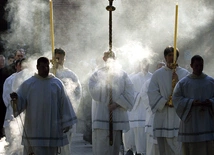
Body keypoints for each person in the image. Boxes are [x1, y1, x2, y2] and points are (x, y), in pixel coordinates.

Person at [10, 57, 77, 155]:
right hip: (34, 130)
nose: (45, 69)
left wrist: (67, 122)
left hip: (53, 130)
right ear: (37, 67)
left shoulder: (57, 84)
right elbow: (20, 101)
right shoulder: (28, 84)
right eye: (42, 67)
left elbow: (65, 103)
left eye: (47, 67)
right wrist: (16, 99)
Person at [88, 51, 135, 155]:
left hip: (117, 118)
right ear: (103, 58)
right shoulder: (97, 74)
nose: (110, 60)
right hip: (101, 118)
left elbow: (130, 94)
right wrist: (105, 84)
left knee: (115, 149)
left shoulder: (123, 75)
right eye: (108, 57)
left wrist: (117, 104)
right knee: (101, 149)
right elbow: (93, 92)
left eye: (112, 57)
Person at [147, 46, 189, 155]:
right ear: (165, 57)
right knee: (164, 149)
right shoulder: (157, 74)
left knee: (179, 147)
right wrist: (165, 101)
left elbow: (189, 92)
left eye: (174, 55)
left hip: (177, 117)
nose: (172, 58)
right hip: (162, 116)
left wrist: (178, 81)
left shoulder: (184, 74)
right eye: (169, 55)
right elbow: (152, 92)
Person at [172, 55, 214, 155]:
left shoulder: (211, 82)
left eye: (201, 65)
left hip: (207, 122)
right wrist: (191, 102)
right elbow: (176, 99)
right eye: (196, 66)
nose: (199, 68)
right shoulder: (183, 83)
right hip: (191, 124)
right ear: (191, 66)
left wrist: (211, 102)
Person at [51, 48, 82, 154]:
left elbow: (78, 94)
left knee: (65, 147)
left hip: (66, 113)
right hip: (50, 115)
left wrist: (71, 110)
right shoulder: (47, 73)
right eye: (56, 58)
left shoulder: (70, 75)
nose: (59, 61)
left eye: (61, 58)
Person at [123, 58, 152, 155]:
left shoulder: (152, 77)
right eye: (143, 63)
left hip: (148, 112)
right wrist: (140, 95)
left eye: (147, 63)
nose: (145, 66)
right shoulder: (134, 78)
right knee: (138, 140)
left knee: (148, 141)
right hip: (137, 114)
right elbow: (130, 93)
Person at [140, 61, 165, 155]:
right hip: (153, 114)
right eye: (159, 68)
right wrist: (155, 106)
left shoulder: (168, 81)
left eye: (162, 68)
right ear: (155, 69)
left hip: (164, 114)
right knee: (152, 146)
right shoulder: (149, 82)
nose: (160, 70)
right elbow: (144, 95)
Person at [3, 58, 26, 147]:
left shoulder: (29, 78)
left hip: (25, 114)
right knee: (12, 142)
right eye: (20, 65)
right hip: (11, 112)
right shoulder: (9, 79)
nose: (21, 67)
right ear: (16, 66)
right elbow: (5, 97)